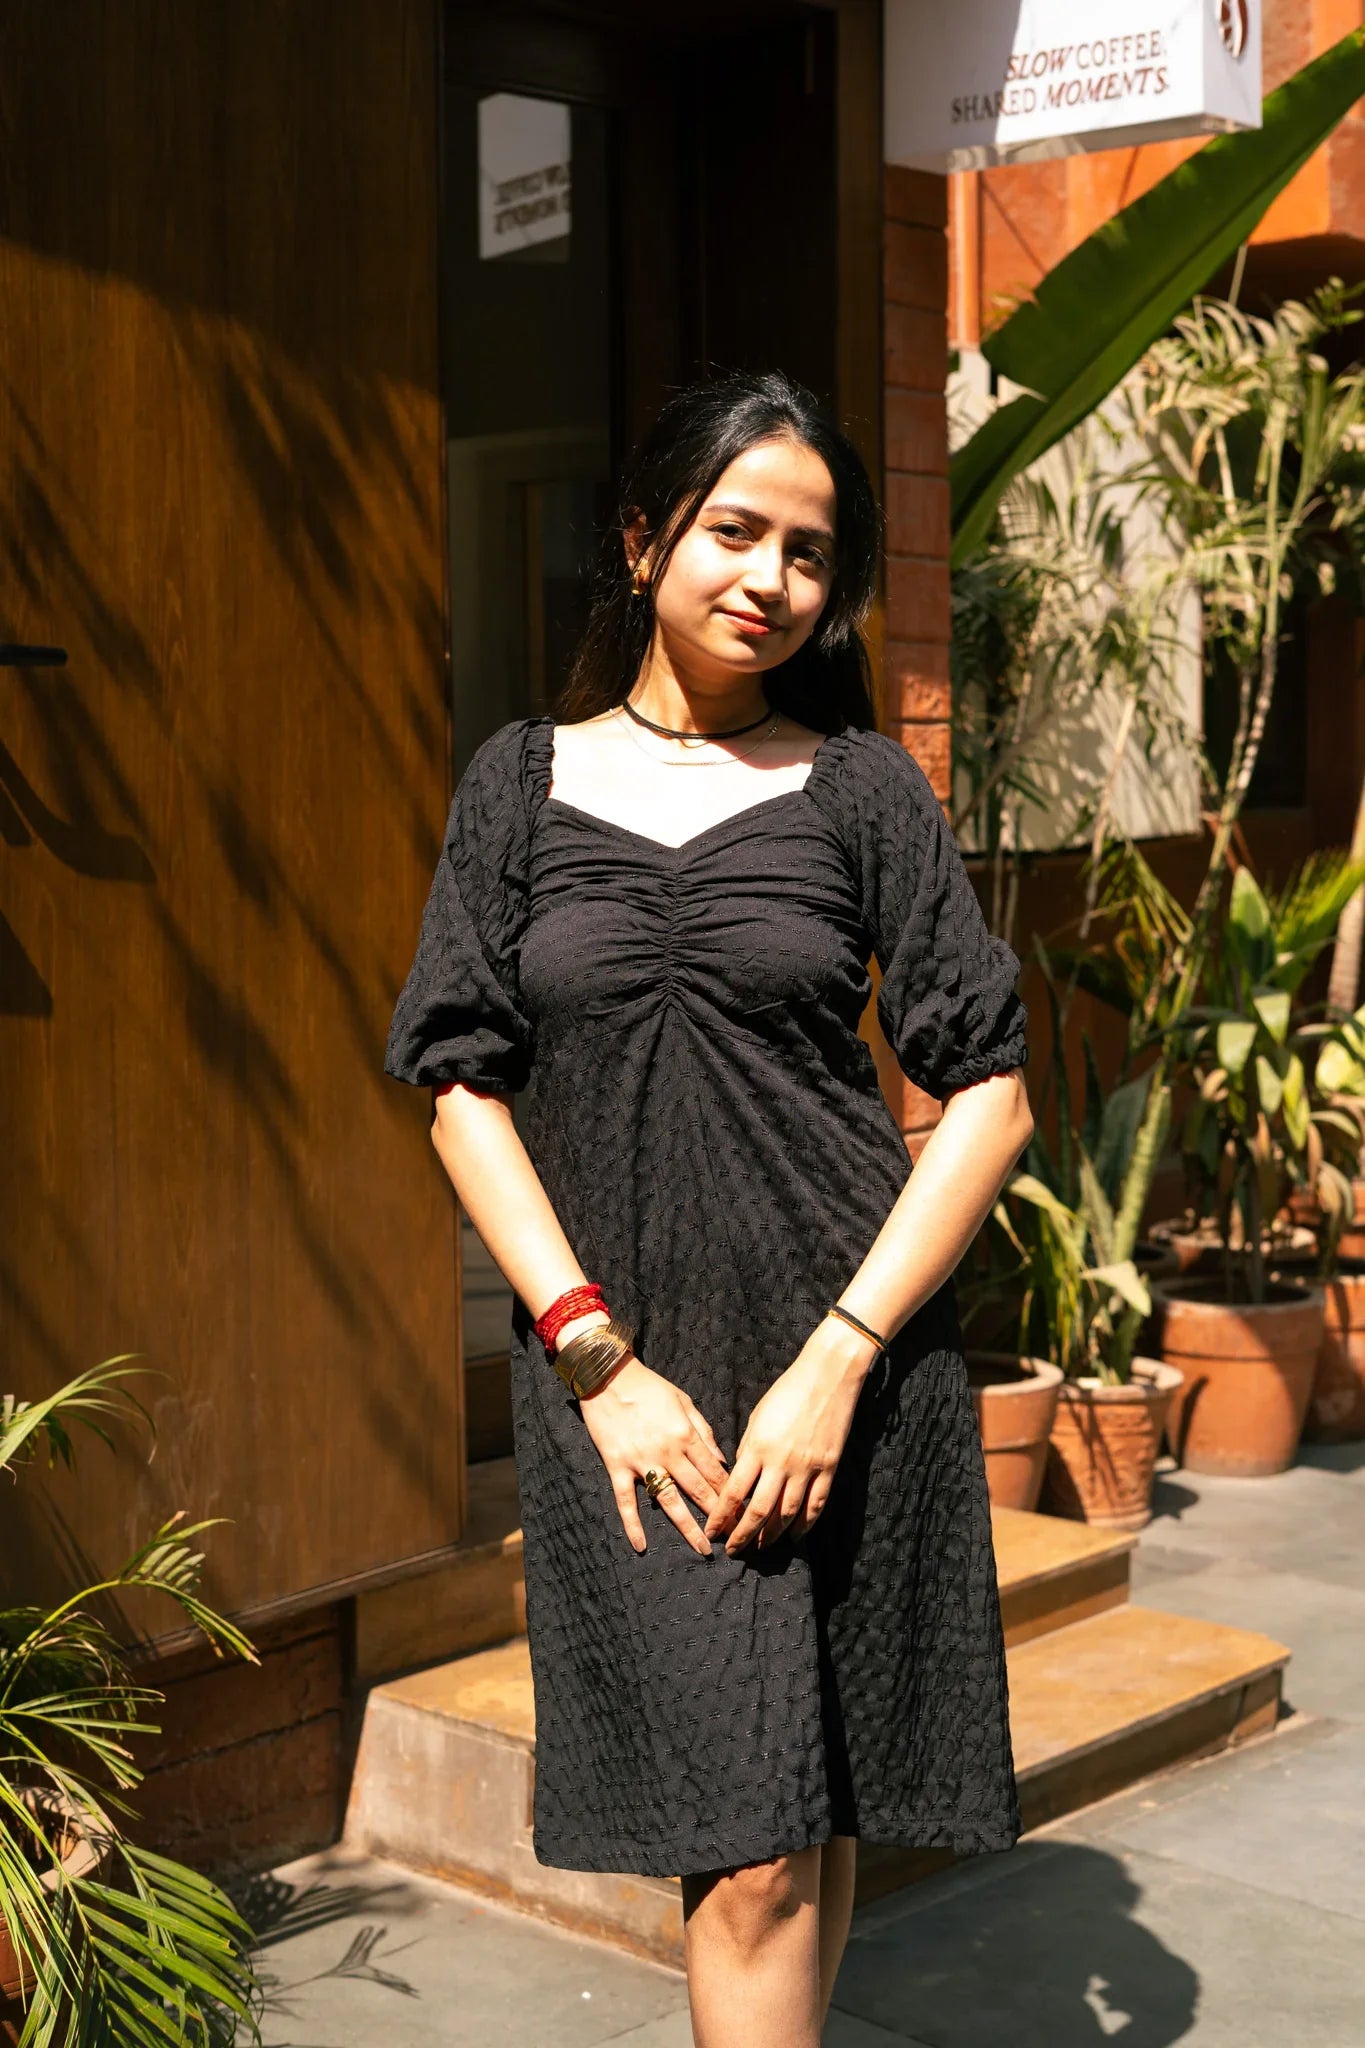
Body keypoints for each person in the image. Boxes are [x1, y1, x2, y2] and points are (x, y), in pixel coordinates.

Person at [385, 369, 1034, 2048]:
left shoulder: (865, 793)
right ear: (639, 539)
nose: (768, 578)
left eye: (809, 553)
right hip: (634, 1385)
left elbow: (989, 1096)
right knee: (742, 1837)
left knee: (789, 1814)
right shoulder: (517, 786)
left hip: (847, 1364)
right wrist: (592, 1355)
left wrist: (838, 1357)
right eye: (731, 530)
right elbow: (462, 1087)